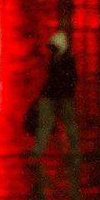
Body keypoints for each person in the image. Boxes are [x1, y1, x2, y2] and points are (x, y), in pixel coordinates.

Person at [30, 30, 79, 158]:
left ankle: (74, 150)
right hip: (54, 95)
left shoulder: (66, 61)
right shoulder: (59, 58)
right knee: (48, 124)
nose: (51, 51)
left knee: (67, 124)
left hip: (62, 97)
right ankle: (38, 150)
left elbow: (66, 80)